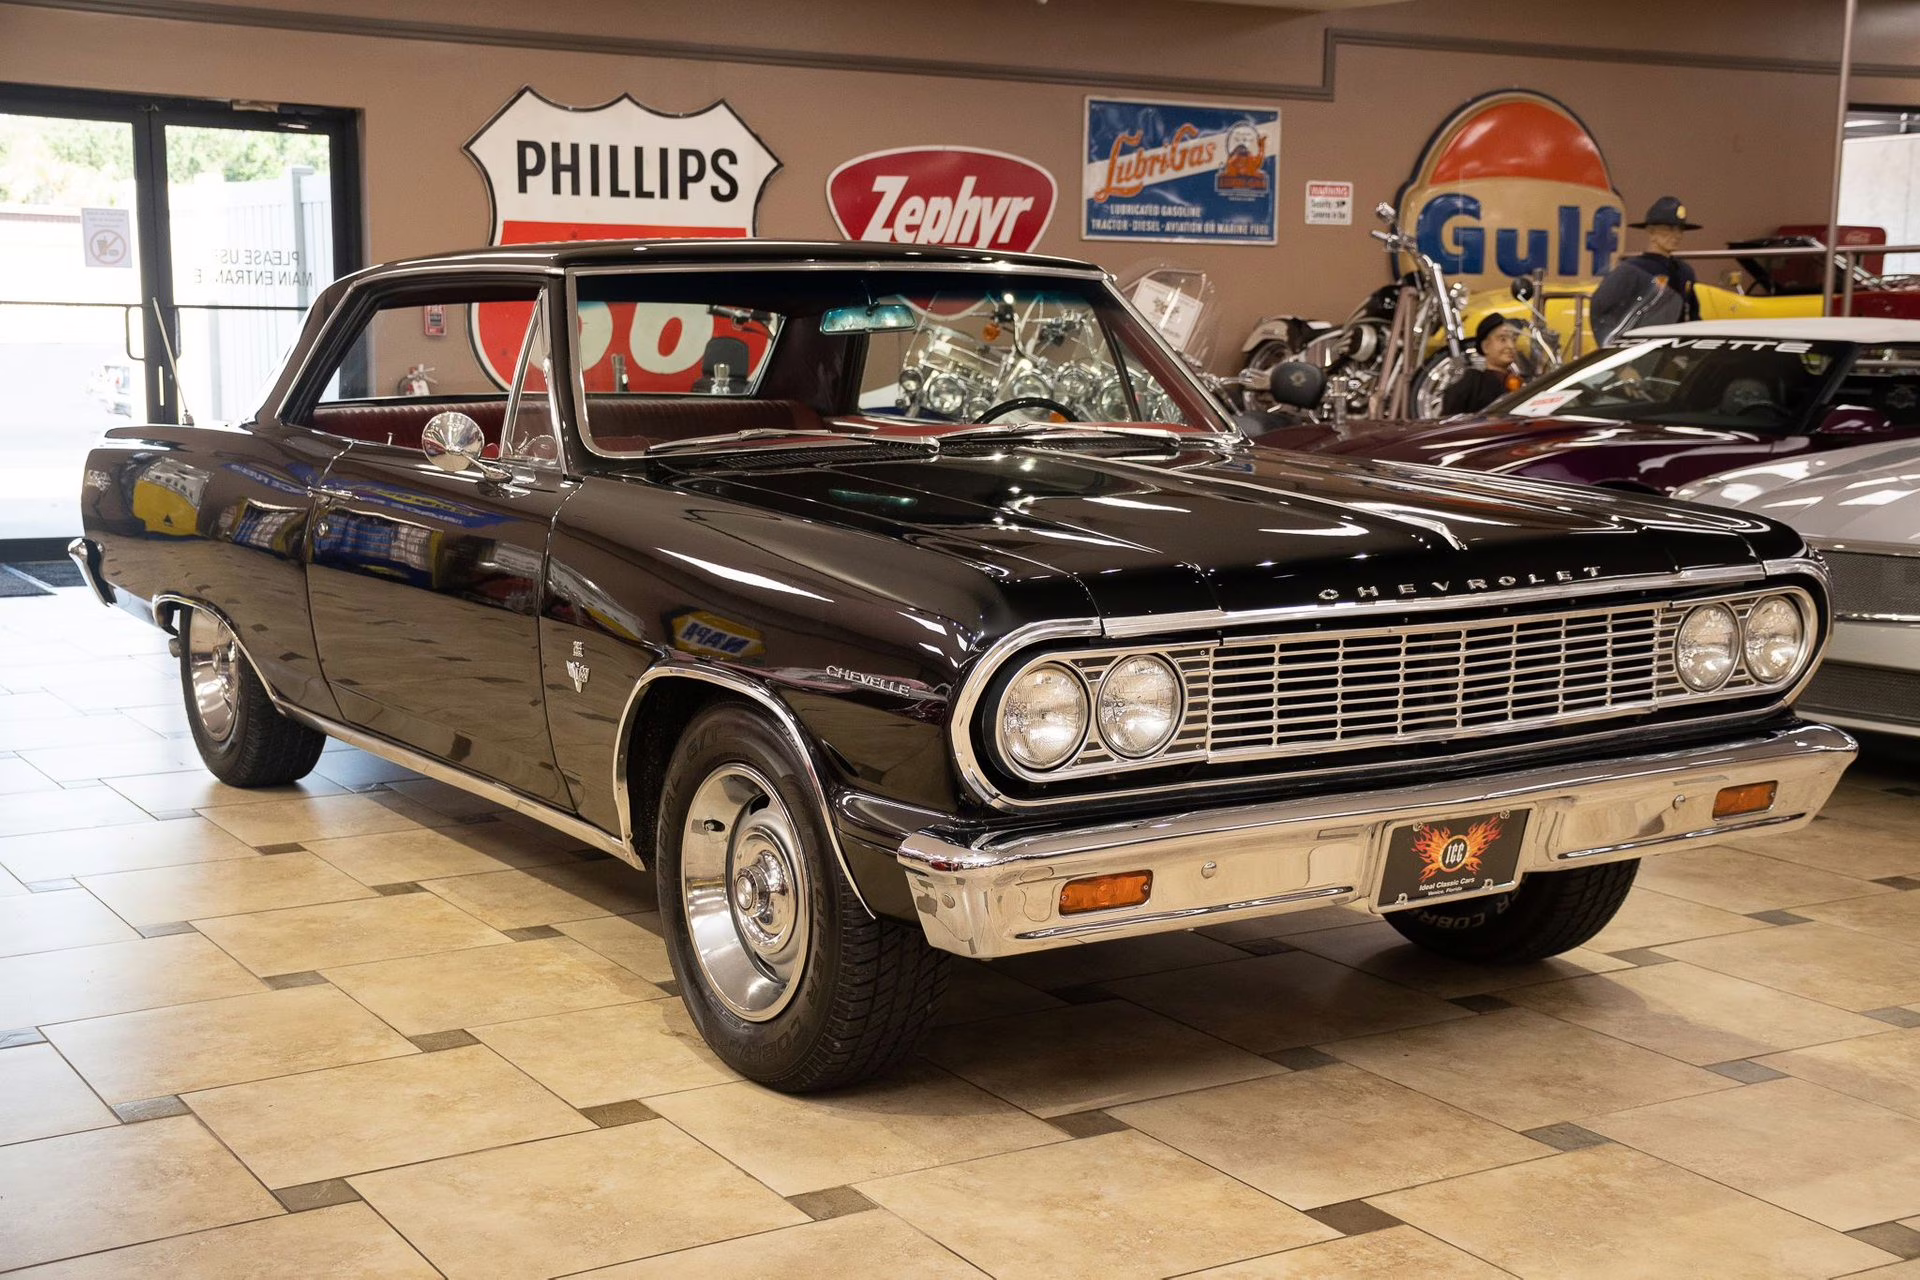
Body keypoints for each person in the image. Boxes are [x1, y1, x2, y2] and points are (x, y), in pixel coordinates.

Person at [1591, 196, 1702, 345]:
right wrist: (1614, 348)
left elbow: (1691, 314)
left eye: (1680, 229)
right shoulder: (1630, 270)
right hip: (1640, 349)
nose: (1676, 235)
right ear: (1651, 231)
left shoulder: (1684, 272)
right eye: (1669, 229)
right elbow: (1602, 310)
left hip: (1674, 348)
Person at [1440, 314, 1525, 416]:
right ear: (1485, 346)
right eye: (1502, 339)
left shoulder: (1521, 381)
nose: (1511, 346)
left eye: (1514, 340)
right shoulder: (1472, 383)